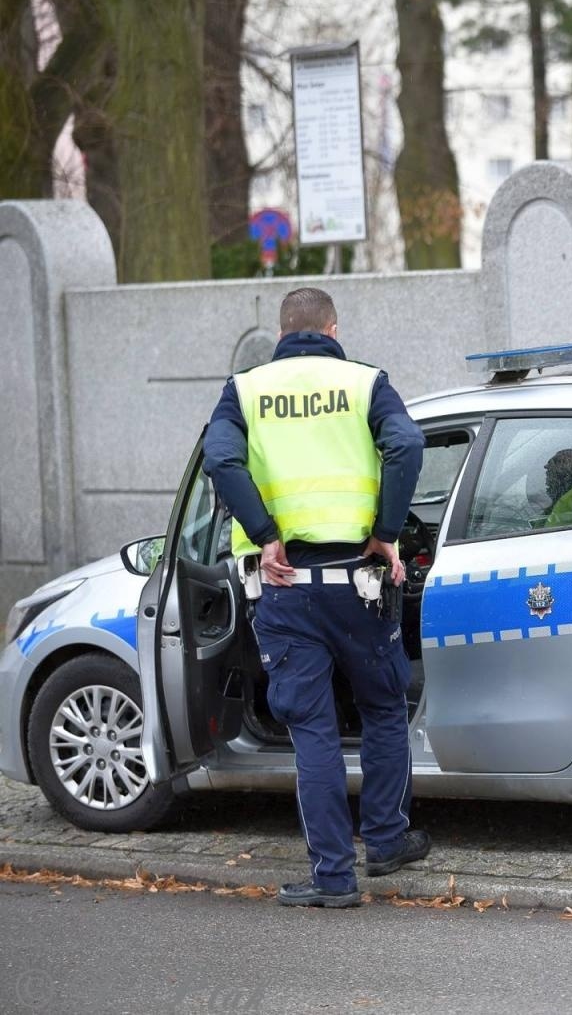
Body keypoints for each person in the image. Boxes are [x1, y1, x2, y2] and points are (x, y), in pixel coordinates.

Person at [202, 287, 428, 908]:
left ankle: (333, 877)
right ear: (332, 326)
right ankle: (385, 840)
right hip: (358, 581)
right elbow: (407, 445)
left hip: (284, 587)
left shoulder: (245, 390)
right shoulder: (364, 382)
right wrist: (385, 533)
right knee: (383, 710)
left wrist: (268, 535)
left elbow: (219, 460)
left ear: (282, 333)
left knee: (313, 731)